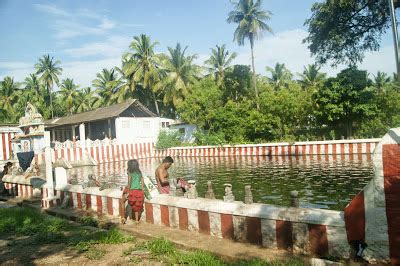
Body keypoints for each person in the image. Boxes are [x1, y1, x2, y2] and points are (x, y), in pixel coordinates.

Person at [122, 159, 144, 225]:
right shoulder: (139, 172)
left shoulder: (130, 172)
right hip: (139, 191)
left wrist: (128, 192)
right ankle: (137, 220)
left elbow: (129, 183)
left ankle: (123, 217)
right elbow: (142, 182)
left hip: (132, 190)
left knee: (122, 202)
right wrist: (142, 190)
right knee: (136, 206)